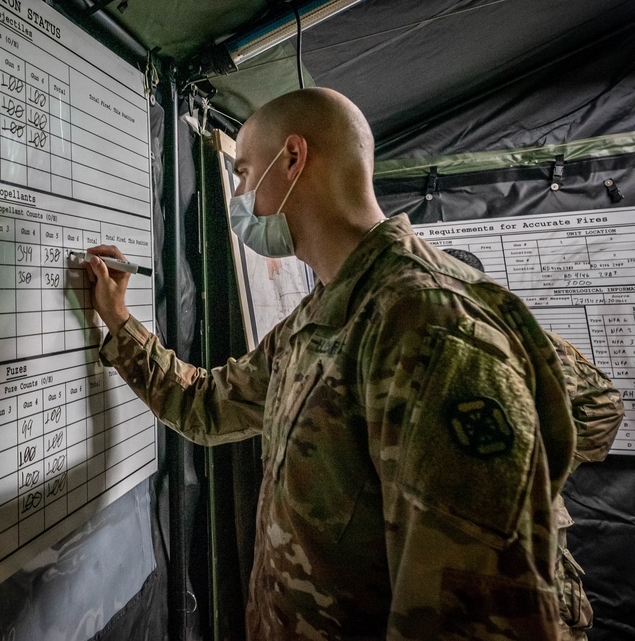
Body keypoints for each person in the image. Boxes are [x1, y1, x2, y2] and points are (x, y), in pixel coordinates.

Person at [83, 87, 576, 639]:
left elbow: (473, 618)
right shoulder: (323, 315)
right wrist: (119, 322)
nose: (239, 193)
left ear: (292, 158)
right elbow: (207, 406)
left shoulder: (430, 328)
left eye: (244, 172)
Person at [443, 247, 626, 640]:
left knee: (539, 610)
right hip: (482, 509)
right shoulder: (535, 341)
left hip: (491, 509)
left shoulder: (459, 343)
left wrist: (552, 462)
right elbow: (603, 401)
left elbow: (603, 404)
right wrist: (549, 463)